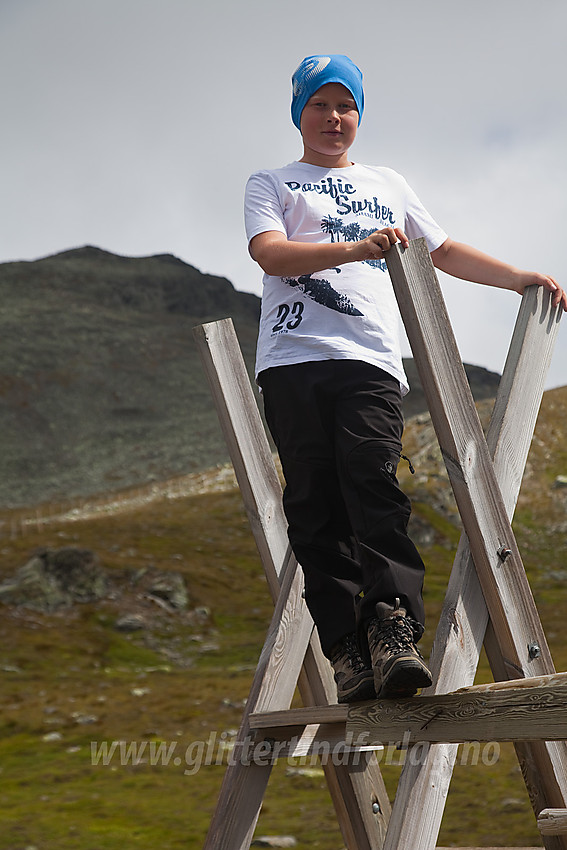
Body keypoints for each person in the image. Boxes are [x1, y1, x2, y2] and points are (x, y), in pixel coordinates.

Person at [244, 54, 566, 704]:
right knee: (312, 505)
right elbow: (269, 252)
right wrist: (354, 248)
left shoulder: (387, 182)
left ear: (357, 115)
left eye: (346, 106)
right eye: (320, 105)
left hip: (368, 358)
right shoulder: (272, 180)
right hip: (289, 362)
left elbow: (439, 250)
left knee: (372, 481)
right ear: (299, 113)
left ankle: (391, 628)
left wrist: (517, 277)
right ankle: (345, 651)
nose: (334, 118)